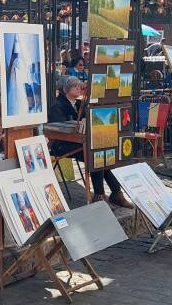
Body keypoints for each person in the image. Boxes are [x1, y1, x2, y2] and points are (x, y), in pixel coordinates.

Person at [47, 75, 131, 207]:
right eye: (75, 85)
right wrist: (79, 124)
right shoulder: (57, 106)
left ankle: (113, 193)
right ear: (66, 89)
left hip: (81, 142)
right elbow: (58, 130)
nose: (79, 87)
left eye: (79, 85)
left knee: (101, 154)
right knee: (95, 155)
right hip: (62, 144)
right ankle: (103, 195)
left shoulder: (80, 104)